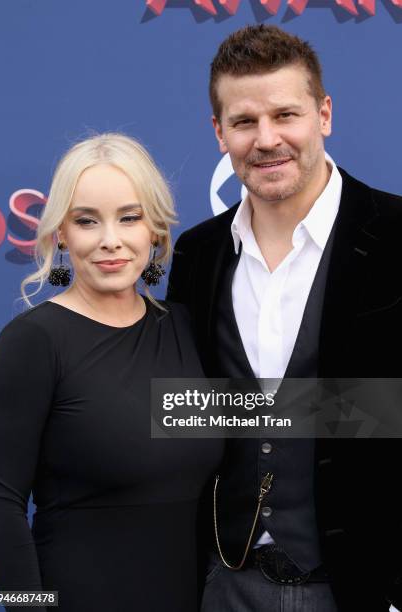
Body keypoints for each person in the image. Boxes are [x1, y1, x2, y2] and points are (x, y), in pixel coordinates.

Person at [167, 25, 402, 612]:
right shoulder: (196, 255)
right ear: (219, 132)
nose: (267, 139)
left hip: (364, 587)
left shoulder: (397, 235)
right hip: (223, 585)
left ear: (324, 114)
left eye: (286, 115)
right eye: (244, 122)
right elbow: (186, 412)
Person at [0, 133, 222, 612]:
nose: (110, 240)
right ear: (61, 234)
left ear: (155, 230)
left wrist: (381, 412)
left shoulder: (185, 328)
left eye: (129, 217)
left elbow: (271, 417)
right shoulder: (34, 342)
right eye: (87, 221)